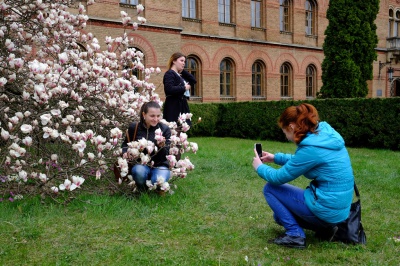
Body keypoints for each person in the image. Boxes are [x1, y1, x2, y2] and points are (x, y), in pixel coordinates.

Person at [252, 103, 354, 249]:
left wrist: (259, 167)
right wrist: (275, 158)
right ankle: (326, 228)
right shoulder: (324, 136)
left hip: (327, 209)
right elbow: (302, 161)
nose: (286, 137)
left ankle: (295, 235)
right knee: (279, 217)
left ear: (292, 127)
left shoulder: (311, 148)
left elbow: (277, 178)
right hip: (339, 211)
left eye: (284, 131)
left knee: (270, 189)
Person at [122, 101, 171, 190]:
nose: (155, 119)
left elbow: (166, 155)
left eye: (158, 116)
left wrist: (161, 147)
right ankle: (142, 188)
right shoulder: (134, 127)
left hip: (160, 165)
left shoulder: (164, 130)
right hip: (141, 164)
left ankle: (154, 184)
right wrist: (125, 152)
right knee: (138, 172)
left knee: (158, 180)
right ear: (144, 115)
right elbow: (125, 144)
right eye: (152, 116)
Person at [163, 52, 196, 126]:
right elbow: (169, 89)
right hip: (173, 105)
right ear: (174, 61)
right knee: (174, 129)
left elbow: (193, 80)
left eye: (184, 61)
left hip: (181, 104)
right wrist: (184, 87)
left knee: (181, 130)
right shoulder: (170, 73)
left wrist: (182, 70)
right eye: (181, 61)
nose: (184, 63)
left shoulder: (179, 75)